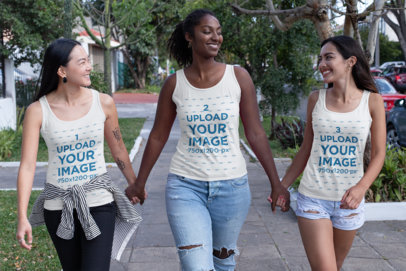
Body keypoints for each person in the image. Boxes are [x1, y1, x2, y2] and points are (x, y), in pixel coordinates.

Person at [125, 9, 290, 271]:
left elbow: (256, 132)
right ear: (189, 36)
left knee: (223, 263)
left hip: (232, 188)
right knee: (196, 266)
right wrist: (139, 183)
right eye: (207, 31)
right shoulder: (174, 84)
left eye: (219, 31)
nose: (216, 37)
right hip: (185, 187)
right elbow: (157, 136)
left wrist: (276, 184)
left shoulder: (238, 77)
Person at [15, 38, 142, 271]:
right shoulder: (37, 110)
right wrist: (22, 216)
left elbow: (118, 148)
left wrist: (135, 183)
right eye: (82, 62)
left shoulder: (103, 103)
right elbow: (27, 166)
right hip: (57, 207)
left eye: (88, 61)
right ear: (62, 70)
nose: (89, 66)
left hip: (99, 203)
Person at [278, 35, 386, 270]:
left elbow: (379, 154)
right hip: (313, 198)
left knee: (334, 266)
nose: (321, 64)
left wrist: (361, 188)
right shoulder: (316, 99)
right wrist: (282, 186)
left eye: (329, 57)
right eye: (320, 59)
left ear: (350, 61)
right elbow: (306, 149)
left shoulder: (373, 101)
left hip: (349, 203)